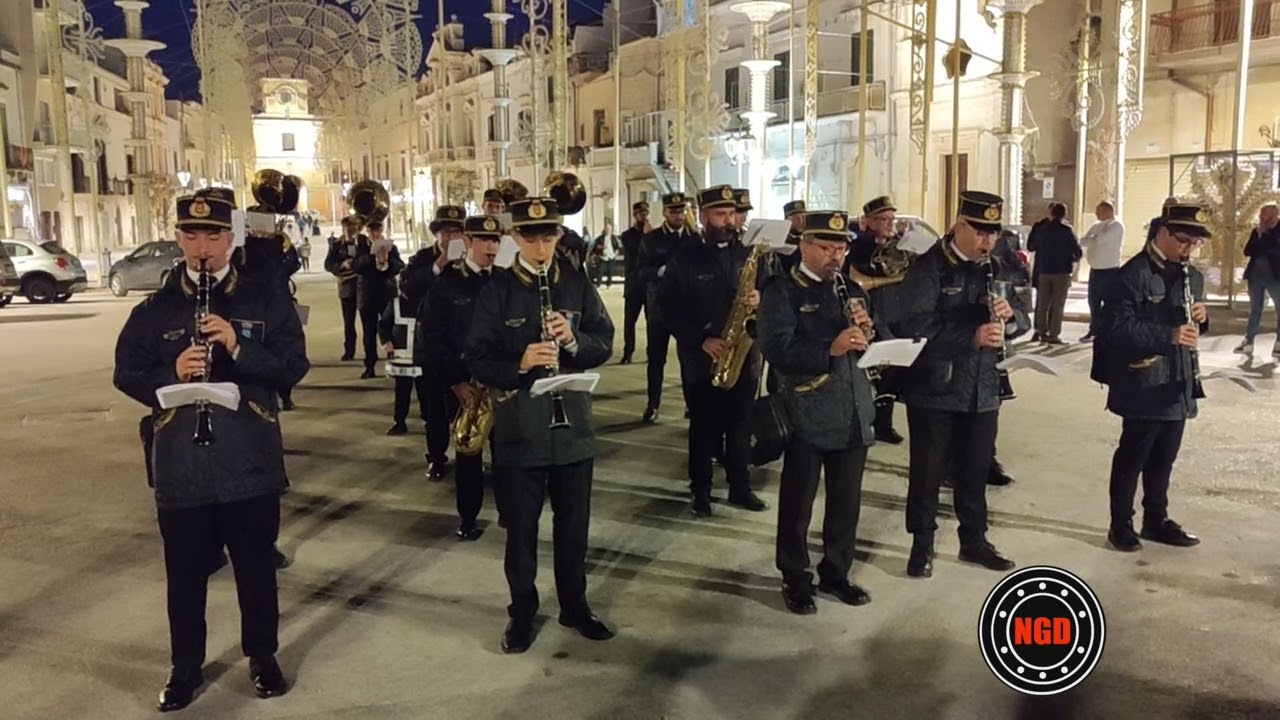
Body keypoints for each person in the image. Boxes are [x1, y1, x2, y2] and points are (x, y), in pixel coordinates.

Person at [114, 190, 308, 711]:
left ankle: (262, 656)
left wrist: (239, 347)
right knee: (184, 574)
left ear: (231, 239)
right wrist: (167, 375)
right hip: (181, 462)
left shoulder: (265, 297)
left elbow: (293, 366)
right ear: (179, 238)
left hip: (249, 457)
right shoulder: (157, 308)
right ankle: (184, 667)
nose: (203, 247)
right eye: (192, 235)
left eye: (214, 236)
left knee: (254, 568)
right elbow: (124, 371)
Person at [465, 197, 616, 654]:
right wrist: (520, 361)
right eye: (531, 237)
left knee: (574, 531)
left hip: (572, 429)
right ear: (515, 238)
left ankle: (575, 606)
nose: (541, 246)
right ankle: (522, 614)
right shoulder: (496, 291)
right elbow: (477, 357)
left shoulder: (575, 281)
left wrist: (574, 340)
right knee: (523, 535)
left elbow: (604, 341)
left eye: (549, 236)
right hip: (520, 430)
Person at [891, 190, 1029, 578]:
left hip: (983, 388)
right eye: (981, 232)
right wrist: (970, 336)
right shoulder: (929, 267)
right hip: (935, 388)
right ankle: (922, 545)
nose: (988, 240)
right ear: (960, 225)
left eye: (993, 232)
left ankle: (975, 541)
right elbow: (912, 326)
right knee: (928, 471)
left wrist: (1010, 319)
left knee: (975, 469)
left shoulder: (997, 265)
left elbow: (1023, 317)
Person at [758, 209, 875, 615]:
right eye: (825, 247)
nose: (834, 256)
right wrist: (830, 347)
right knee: (798, 502)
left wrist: (869, 331)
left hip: (853, 409)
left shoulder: (852, 289)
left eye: (840, 247)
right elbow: (777, 349)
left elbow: (868, 344)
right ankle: (794, 576)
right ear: (804, 246)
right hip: (806, 410)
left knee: (846, 502)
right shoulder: (781, 290)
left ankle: (837, 572)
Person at [1095, 203, 1211, 551]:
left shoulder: (1192, 275)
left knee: (1165, 457)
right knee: (1133, 457)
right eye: (1183, 240)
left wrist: (1202, 319)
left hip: (1178, 381)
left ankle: (1156, 519)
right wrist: (1168, 335)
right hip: (1143, 381)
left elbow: (1190, 326)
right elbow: (1115, 328)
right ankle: (1121, 525)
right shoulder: (1132, 274)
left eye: (1194, 243)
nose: (1188, 249)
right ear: (1162, 232)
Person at [660, 185, 769, 517]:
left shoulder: (749, 254)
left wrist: (761, 299)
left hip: (743, 354)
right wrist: (699, 340)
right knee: (703, 429)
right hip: (701, 358)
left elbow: (772, 290)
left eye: (732, 213)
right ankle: (702, 493)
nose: (729, 220)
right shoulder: (684, 257)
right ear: (704, 215)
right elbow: (667, 308)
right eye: (721, 214)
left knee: (740, 424)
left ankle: (740, 487)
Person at [420, 215, 504, 539]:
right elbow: (433, 336)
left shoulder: (503, 281)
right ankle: (468, 518)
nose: (491, 247)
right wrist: (456, 381)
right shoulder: (447, 284)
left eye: (496, 240)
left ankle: (509, 512)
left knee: (507, 452)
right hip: (463, 384)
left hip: (499, 380)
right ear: (468, 241)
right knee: (467, 453)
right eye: (484, 240)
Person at [637, 192, 697, 423]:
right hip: (659, 310)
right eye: (673, 211)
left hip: (686, 310)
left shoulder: (693, 238)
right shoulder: (651, 240)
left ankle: (691, 404)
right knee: (656, 360)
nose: (679, 215)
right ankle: (653, 405)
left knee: (689, 360)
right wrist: (659, 272)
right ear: (664, 213)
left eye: (682, 211)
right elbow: (638, 273)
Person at [353, 218, 404, 379]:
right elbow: (357, 266)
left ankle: (393, 361)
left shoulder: (391, 247)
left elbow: (400, 266)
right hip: (367, 295)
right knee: (369, 333)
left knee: (391, 330)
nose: (375, 234)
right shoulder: (361, 248)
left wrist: (388, 261)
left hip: (386, 293)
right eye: (372, 231)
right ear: (367, 232)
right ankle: (370, 366)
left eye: (378, 230)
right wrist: (372, 256)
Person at [1027, 202, 1081, 344]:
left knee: (1042, 304)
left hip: (1044, 271)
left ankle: (1040, 331)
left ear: (1050, 213)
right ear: (1064, 214)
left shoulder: (1041, 230)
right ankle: (1054, 334)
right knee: (1058, 305)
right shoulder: (1067, 231)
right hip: (1061, 272)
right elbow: (1078, 252)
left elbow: (1031, 246)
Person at [1237, 202, 1280, 357]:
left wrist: (1264, 237)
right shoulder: (1257, 231)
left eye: (1265, 215)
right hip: (1256, 276)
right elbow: (1248, 251)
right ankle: (1249, 340)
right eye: (1261, 215)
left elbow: (1272, 248)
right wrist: (1260, 236)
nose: (1261, 218)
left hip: (1275, 277)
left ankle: (1279, 344)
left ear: (1275, 215)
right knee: (1255, 309)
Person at [1078, 200, 1125, 343]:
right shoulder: (1096, 226)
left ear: (1107, 211)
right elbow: (1083, 241)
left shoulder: (1116, 226)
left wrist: (1093, 239)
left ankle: (1109, 331)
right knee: (1093, 302)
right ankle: (1094, 330)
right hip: (1095, 270)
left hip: (1109, 270)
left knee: (1109, 303)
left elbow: (1099, 241)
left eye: (1099, 211)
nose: (1096, 214)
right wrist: (1092, 238)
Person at [323, 216, 365, 361]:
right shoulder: (336, 244)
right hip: (346, 287)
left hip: (363, 287)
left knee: (368, 322)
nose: (350, 231)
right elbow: (328, 264)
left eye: (353, 228)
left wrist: (357, 264)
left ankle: (371, 352)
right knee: (349, 322)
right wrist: (342, 265)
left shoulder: (364, 242)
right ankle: (349, 351)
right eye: (347, 228)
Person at [618, 201, 653, 364]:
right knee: (629, 322)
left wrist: (650, 235)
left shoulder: (654, 234)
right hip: (633, 286)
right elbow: (636, 253)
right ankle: (628, 352)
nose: (643, 216)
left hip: (649, 286)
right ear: (635, 215)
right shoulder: (627, 235)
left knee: (651, 323)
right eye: (640, 213)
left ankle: (651, 352)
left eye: (645, 213)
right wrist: (647, 237)